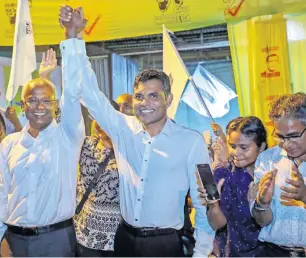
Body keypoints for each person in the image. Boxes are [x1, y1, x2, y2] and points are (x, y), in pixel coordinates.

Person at [59, 6, 215, 257]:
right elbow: (88, 92)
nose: (145, 102)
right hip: (125, 240)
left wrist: (202, 251)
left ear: (169, 99)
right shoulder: (123, 129)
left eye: (154, 96)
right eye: (139, 96)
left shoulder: (191, 142)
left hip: (166, 243)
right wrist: (73, 37)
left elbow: (202, 201)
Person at [0, 48, 85, 257]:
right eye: (32, 100)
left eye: (46, 101)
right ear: (23, 105)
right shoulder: (9, 144)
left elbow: (74, 96)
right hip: (15, 241)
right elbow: (0, 196)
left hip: (56, 240)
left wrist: (48, 77)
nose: (39, 106)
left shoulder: (67, 138)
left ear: (56, 105)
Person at [199, 116, 267, 257]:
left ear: (261, 147)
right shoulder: (224, 174)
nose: (236, 153)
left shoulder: (271, 174)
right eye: (233, 146)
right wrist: (213, 204)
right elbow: (217, 224)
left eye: (244, 147)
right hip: (233, 252)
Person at [251, 93, 306, 257]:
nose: (286, 144)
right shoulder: (267, 159)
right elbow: (261, 221)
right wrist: (262, 204)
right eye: (280, 136)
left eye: (294, 136)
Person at [74, 103, 120, 257]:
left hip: (118, 235)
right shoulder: (85, 144)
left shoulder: (126, 149)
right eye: (96, 117)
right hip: (86, 232)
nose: (100, 122)